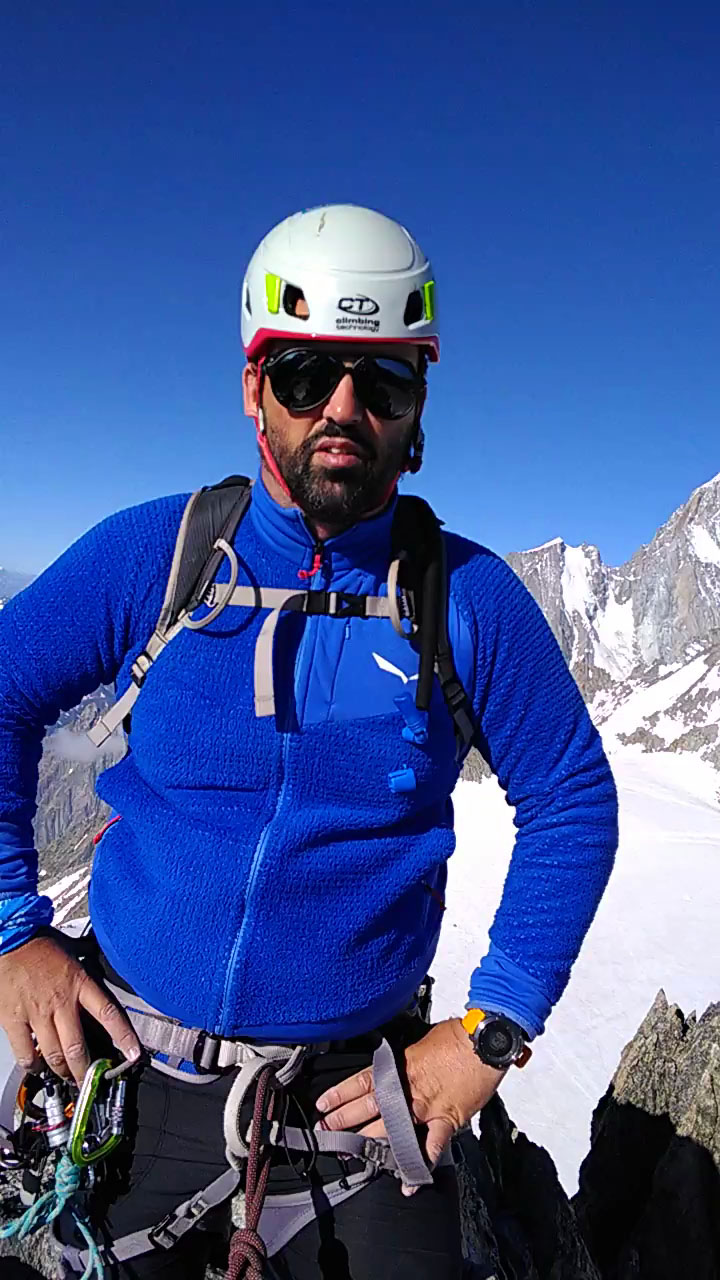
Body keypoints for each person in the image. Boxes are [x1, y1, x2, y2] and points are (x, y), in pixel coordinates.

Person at [0, 204, 619, 1279]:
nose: (342, 409)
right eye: (304, 374)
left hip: (353, 1106)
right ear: (254, 387)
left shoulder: (466, 598)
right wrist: (15, 929)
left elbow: (571, 796)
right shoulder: (164, 553)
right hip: (130, 1063)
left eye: (381, 382)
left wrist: (494, 1027)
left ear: (417, 403)